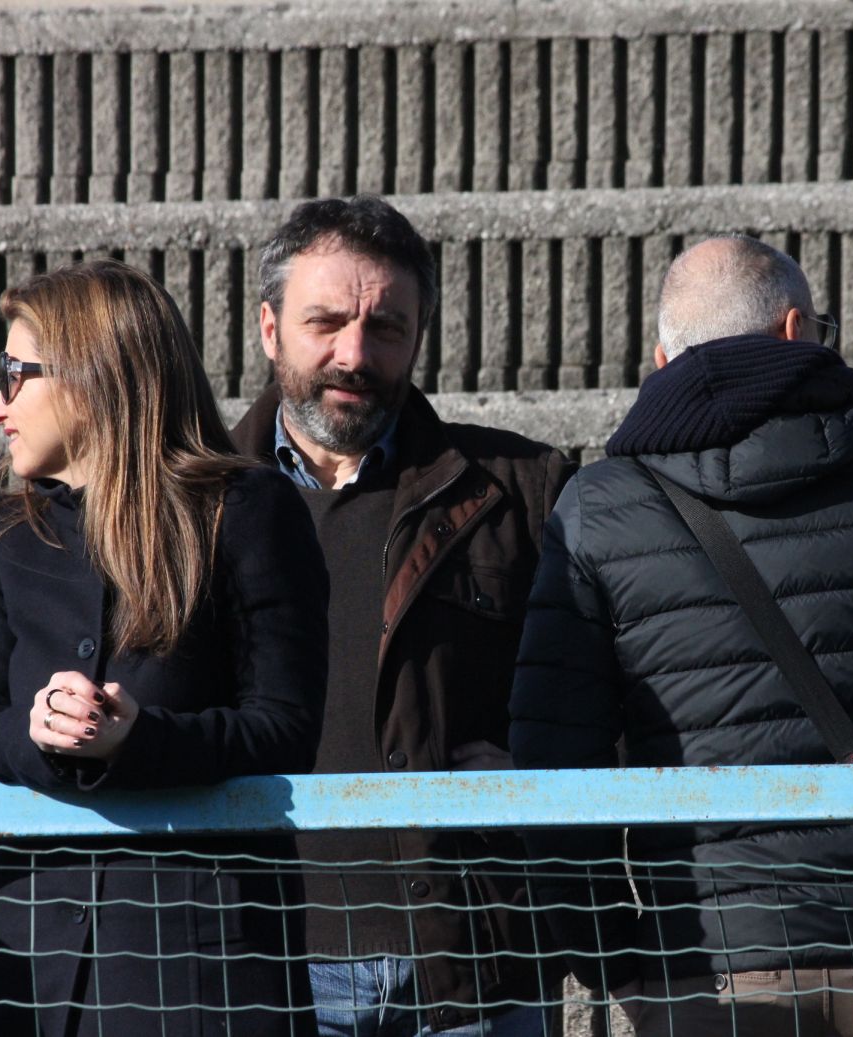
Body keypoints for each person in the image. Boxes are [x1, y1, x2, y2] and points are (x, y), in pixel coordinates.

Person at [508, 236, 853, 1037]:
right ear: (798, 329)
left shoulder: (600, 509)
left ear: (663, 359)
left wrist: (613, 960)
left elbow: (554, 766)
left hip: (703, 965)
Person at [0, 259, 329, 1036]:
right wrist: (38, 734)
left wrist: (137, 740)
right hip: (29, 972)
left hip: (199, 970)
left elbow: (285, 727)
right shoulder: (8, 534)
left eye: (14, 375)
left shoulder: (246, 510)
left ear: (90, 375)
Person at [233, 195, 575, 1036]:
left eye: (385, 327)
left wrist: (542, 771)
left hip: (472, 966)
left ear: (418, 336)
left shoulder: (521, 491)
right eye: (325, 323)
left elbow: (619, 686)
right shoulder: (191, 498)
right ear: (270, 328)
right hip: (266, 967)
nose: (354, 355)